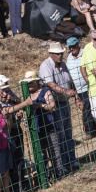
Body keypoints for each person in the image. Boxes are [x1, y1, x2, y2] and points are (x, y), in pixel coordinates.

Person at [39, 41, 80, 176]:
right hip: (54, 105)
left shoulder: (63, 65)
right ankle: (62, 166)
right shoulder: (46, 66)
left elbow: (70, 81)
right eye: (57, 54)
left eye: (61, 53)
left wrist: (75, 95)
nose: (60, 56)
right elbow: (50, 84)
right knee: (59, 135)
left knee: (68, 132)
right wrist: (65, 91)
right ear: (51, 54)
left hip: (64, 103)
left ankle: (71, 161)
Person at [65, 36, 96, 138]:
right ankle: (90, 129)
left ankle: (91, 131)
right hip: (78, 90)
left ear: (78, 45)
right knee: (85, 108)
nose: (71, 49)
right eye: (69, 47)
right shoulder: (69, 58)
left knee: (89, 107)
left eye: (73, 46)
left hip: (89, 86)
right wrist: (74, 93)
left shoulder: (85, 53)